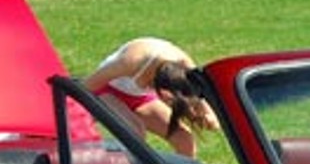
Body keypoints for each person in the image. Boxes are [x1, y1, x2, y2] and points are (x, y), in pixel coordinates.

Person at [83, 37, 217, 157]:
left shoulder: (182, 63)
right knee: (135, 131)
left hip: (139, 97)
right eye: (169, 99)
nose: (169, 103)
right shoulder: (132, 60)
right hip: (105, 89)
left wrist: (207, 113)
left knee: (183, 138)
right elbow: (87, 86)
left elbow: (196, 90)